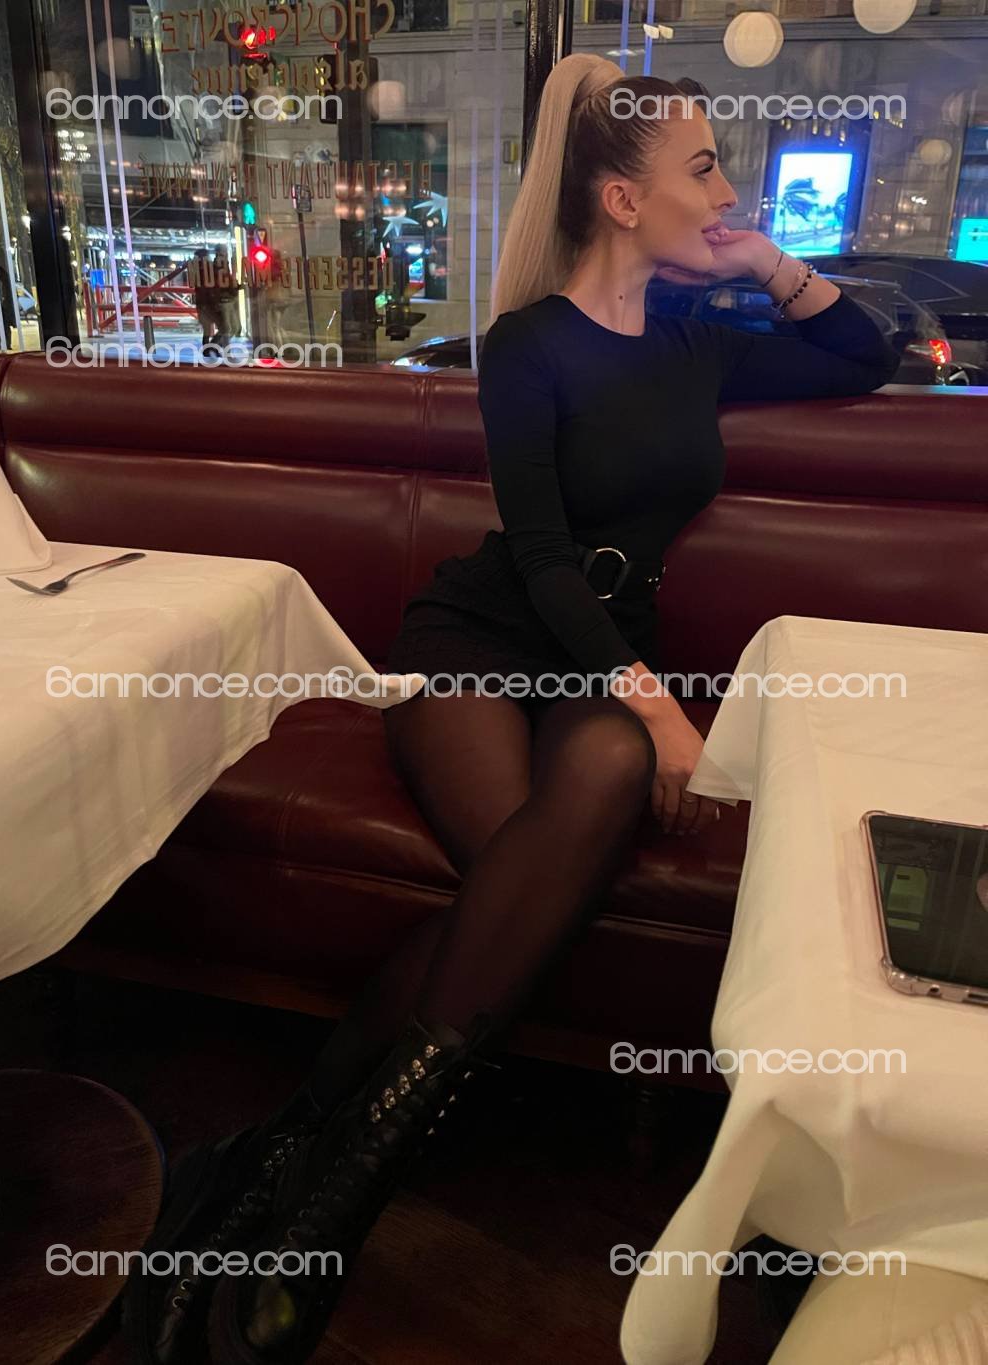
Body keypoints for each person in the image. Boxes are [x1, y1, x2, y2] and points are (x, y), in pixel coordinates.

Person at [125, 54, 900, 1365]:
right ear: (620, 198)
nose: (728, 190)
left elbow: (863, 354)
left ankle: (301, 1165)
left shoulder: (702, 346)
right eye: (704, 168)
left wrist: (768, 261)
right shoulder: (529, 346)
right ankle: (333, 1199)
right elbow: (540, 560)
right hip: (482, 642)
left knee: (572, 813)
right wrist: (664, 710)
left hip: (599, 665)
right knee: (528, 879)